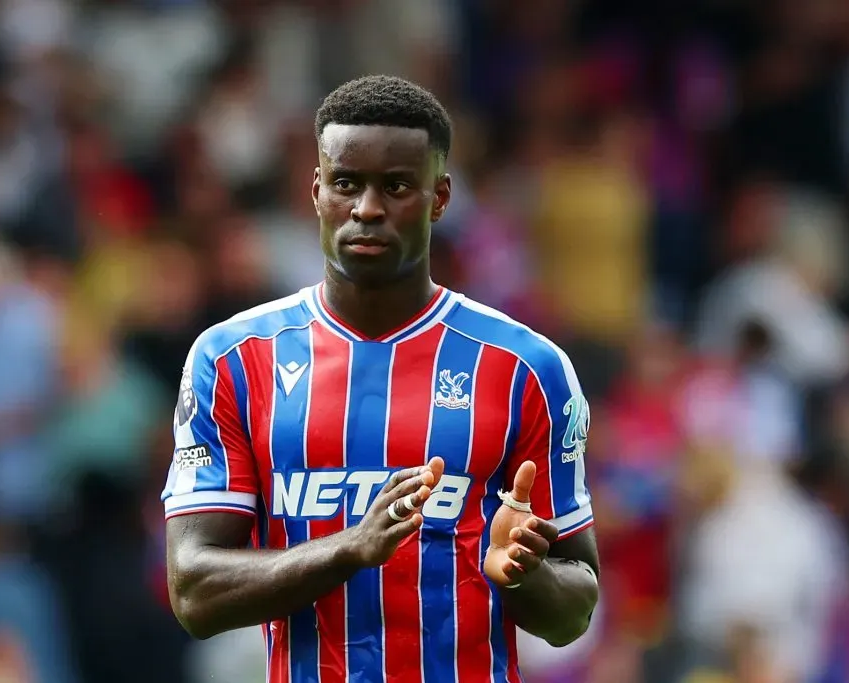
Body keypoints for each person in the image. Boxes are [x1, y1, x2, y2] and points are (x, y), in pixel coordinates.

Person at [162, 75, 599, 682]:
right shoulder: (233, 360)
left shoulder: (527, 368)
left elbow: (574, 612)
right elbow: (193, 593)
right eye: (346, 184)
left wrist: (526, 576)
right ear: (317, 191)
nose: (367, 208)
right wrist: (348, 549)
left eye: (395, 186)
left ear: (439, 197)